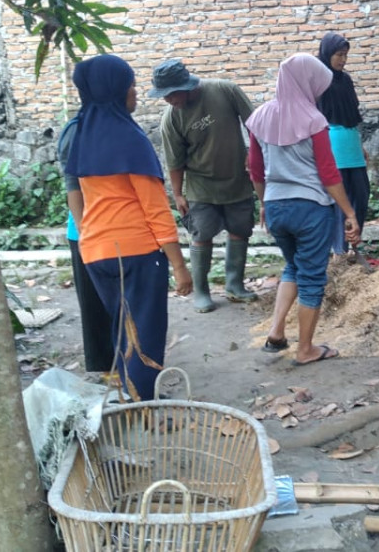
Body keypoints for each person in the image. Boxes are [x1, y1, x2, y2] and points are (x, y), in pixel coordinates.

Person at [64, 54, 193, 400]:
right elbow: (156, 212)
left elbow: (74, 192)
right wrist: (180, 266)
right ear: (116, 92)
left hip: (95, 252)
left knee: (124, 330)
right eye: (131, 85)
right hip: (135, 252)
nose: (136, 92)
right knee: (145, 336)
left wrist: (88, 233)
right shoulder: (130, 140)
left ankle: (131, 399)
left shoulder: (81, 135)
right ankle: (144, 410)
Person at [247, 53, 361, 366]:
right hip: (310, 209)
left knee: (293, 266)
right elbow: (328, 173)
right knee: (312, 277)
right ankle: (305, 349)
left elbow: (255, 170)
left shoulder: (258, 118)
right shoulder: (314, 120)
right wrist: (349, 212)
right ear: (307, 83)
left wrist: (263, 204)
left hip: (275, 207)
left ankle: (276, 332)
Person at [151, 59, 256, 313]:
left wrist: (253, 153)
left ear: (186, 86)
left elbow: (254, 123)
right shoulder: (171, 119)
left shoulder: (224, 90)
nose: (168, 100)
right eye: (163, 96)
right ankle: (201, 290)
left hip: (237, 178)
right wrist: (177, 194)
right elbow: (175, 162)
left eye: (172, 94)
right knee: (202, 235)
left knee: (240, 230)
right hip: (200, 184)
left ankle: (235, 285)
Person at [57, 118, 115, 375]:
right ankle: (103, 370)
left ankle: (124, 362)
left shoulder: (117, 125)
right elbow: (74, 186)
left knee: (118, 302)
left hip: (115, 230)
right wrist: (85, 233)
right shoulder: (77, 130)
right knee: (94, 306)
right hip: (88, 231)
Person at [317, 33, 371, 258]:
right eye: (339, 55)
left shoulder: (345, 80)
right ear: (327, 53)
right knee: (341, 197)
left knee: (362, 193)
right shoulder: (319, 79)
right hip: (333, 142)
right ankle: (339, 249)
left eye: (345, 55)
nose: (343, 60)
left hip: (351, 141)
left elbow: (352, 115)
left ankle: (354, 244)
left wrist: (361, 147)